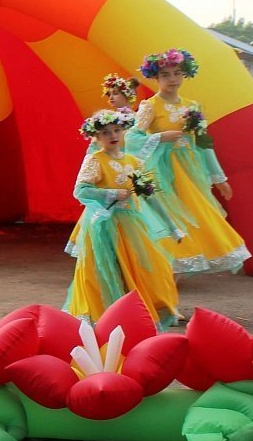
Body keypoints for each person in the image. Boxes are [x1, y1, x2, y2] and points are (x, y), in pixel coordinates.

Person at [132, 48, 249, 275]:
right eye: (165, 75)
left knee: (196, 214)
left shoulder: (192, 106)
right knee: (169, 215)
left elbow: (203, 144)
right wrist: (158, 137)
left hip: (190, 170)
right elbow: (132, 137)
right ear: (155, 77)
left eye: (177, 73)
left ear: (185, 74)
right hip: (162, 171)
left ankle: (183, 264)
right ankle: (166, 269)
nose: (172, 79)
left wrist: (219, 178)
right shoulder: (150, 106)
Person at [65, 109, 182, 329]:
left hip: (131, 224)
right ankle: (106, 315)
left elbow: (149, 196)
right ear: (96, 137)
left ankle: (143, 311)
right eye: (106, 132)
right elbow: (80, 190)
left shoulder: (133, 161)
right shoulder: (95, 160)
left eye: (117, 130)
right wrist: (111, 194)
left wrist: (171, 227)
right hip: (105, 225)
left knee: (144, 265)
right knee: (106, 267)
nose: (113, 136)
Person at [101, 74, 149, 158]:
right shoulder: (108, 119)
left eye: (115, 93)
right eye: (109, 94)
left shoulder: (139, 117)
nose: (111, 97)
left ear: (128, 95)